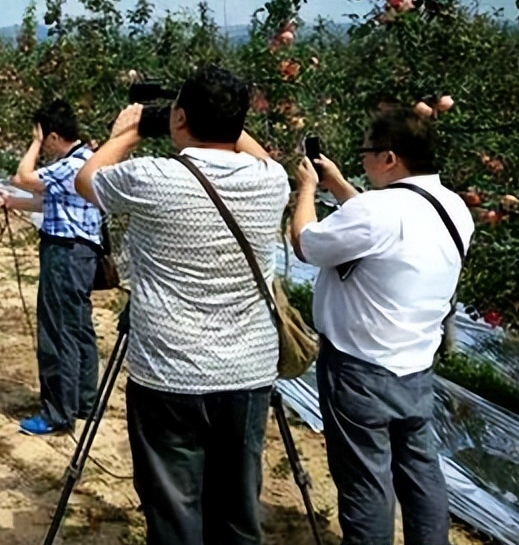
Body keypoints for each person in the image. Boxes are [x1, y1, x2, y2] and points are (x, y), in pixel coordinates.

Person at [74, 65, 288, 545]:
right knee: (237, 509)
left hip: (169, 373)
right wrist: (219, 114)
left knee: (174, 511)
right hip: (248, 373)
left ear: (181, 118)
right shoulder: (272, 181)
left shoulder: (152, 177)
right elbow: (258, 152)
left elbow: (87, 180)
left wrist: (126, 132)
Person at [290, 107, 472, 545]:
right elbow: (385, 227)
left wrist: (308, 190)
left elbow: (305, 243)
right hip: (415, 367)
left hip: (360, 371)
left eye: (367, 152)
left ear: (389, 158)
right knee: (421, 472)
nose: (363, 160)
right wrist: (337, 182)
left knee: (366, 484)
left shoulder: (377, 210)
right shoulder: (453, 207)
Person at [0, 99, 102, 436]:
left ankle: (57, 413)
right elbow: (48, 199)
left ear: (53, 136)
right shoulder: (82, 161)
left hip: (65, 253)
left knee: (57, 331)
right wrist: (13, 202)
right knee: (78, 326)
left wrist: (35, 142)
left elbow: (22, 176)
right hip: (80, 254)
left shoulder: (72, 163)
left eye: (44, 139)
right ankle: (84, 401)